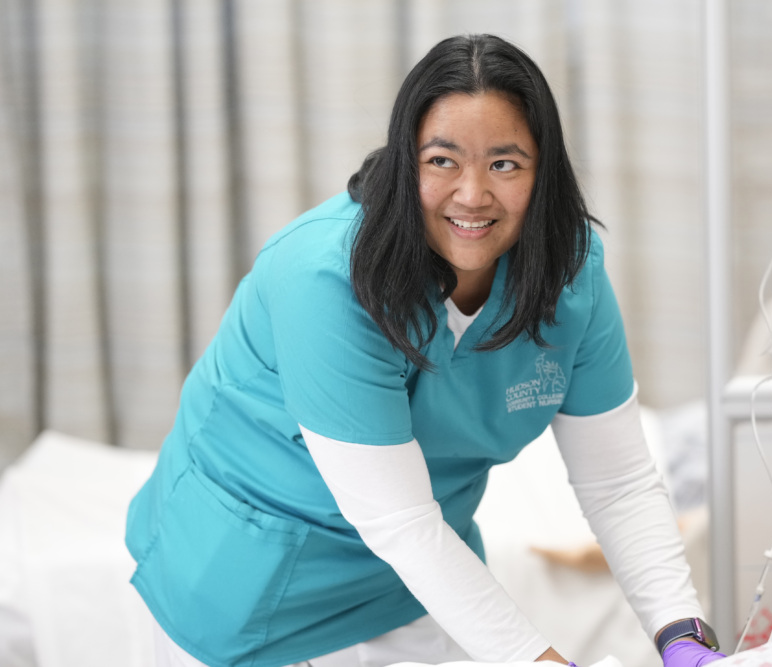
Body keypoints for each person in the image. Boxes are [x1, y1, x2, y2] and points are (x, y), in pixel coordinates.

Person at [125, 33, 726, 667]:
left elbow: (619, 483)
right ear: (404, 161)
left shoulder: (568, 273)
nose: (472, 195)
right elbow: (400, 521)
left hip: (412, 584)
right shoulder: (325, 280)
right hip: (251, 581)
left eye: (504, 163)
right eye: (442, 161)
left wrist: (682, 633)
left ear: (542, 171)